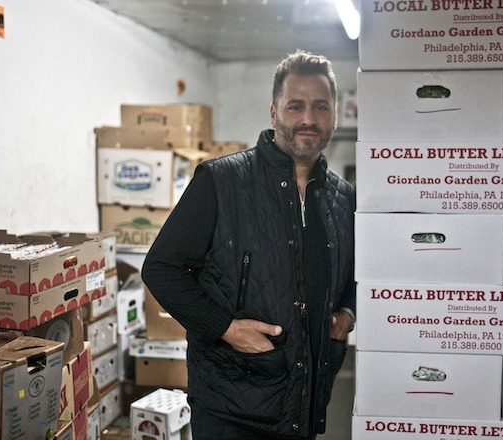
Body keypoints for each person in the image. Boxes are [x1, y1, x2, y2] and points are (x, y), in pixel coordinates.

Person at [141, 49, 356, 440]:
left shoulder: (344, 199)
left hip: (307, 401)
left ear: (335, 115)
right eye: (295, 106)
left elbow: (358, 277)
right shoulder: (221, 182)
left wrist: (347, 315)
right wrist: (225, 327)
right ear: (274, 113)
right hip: (232, 408)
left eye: (320, 107)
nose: (308, 118)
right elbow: (161, 268)